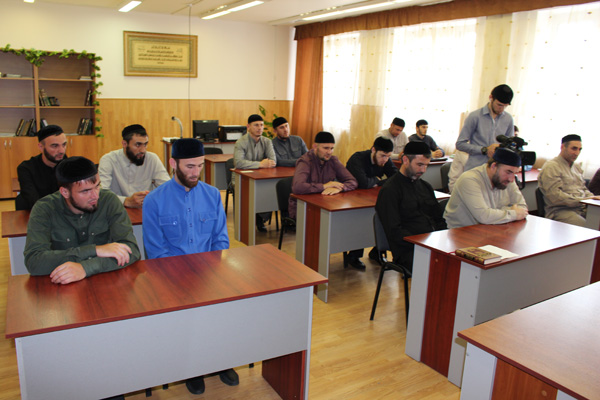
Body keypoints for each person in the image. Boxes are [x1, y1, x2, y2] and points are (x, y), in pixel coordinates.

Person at [142, 138, 235, 395]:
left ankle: (221, 360)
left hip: (209, 273)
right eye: (190, 167)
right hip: (173, 279)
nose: (196, 173)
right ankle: (192, 368)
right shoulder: (154, 201)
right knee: (189, 320)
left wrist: (212, 274)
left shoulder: (212, 194)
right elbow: (156, 251)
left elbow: (221, 239)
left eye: (200, 166)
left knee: (224, 311)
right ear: (173, 164)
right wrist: (185, 280)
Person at [23, 156, 140, 284]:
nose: (95, 196)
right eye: (85, 191)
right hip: (62, 287)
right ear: (65, 192)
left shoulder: (109, 201)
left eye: (97, 186)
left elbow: (132, 251)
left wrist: (85, 268)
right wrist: (96, 250)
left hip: (106, 282)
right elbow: (34, 262)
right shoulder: (44, 209)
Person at [375, 142, 447, 272]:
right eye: (419, 165)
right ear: (405, 160)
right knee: (441, 269)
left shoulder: (425, 186)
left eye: (426, 165)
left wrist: (444, 240)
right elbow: (394, 231)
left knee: (461, 263)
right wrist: (423, 244)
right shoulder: (390, 190)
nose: (423, 170)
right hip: (409, 250)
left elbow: (438, 219)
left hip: (432, 244)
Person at [289, 132, 358, 265]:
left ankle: (353, 255)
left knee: (352, 220)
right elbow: (297, 187)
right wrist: (324, 186)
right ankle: (312, 263)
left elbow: (352, 181)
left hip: (326, 206)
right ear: (315, 146)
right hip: (304, 209)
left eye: (332, 148)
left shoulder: (333, 160)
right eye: (325, 148)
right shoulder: (305, 161)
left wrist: (340, 188)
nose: (329, 152)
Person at [444, 148, 528, 228]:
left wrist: (497, 214)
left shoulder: (507, 180)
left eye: (514, 173)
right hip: (461, 231)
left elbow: (522, 207)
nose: (511, 179)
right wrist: (513, 213)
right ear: (493, 166)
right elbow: (483, 216)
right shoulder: (469, 179)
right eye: (508, 172)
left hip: (493, 228)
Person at [346, 137, 398, 265]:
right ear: (373, 150)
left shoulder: (385, 159)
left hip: (373, 197)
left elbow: (396, 178)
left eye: (388, 156)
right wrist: (378, 180)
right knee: (362, 221)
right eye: (382, 156)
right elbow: (362, 183)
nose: (385, 160)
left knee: (386, 215)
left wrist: (376, 182)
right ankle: (354, 255)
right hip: (353, 200)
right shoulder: (357, 159)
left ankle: (377, 251)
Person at [99, 124, 170, 209]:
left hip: (144, 210)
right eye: (138, 145)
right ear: (124, 144)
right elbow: (101, 193)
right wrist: (125, 201)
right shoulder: (108, 160)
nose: (143, 150)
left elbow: (167, 188)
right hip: (116, 209)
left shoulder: (152, 159)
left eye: (145, 144)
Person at [538, 134, 600, 226]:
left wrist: (593, 199)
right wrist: (585, 200)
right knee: (587, 227)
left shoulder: (576, 167)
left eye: (579, 149)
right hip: (560, 211)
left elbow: (583, 189)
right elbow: (555, 197)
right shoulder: (552, 167)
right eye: (574, 148)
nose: (577, 153)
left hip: (581, 208)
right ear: (563, 147)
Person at [455, 84, 515, 171]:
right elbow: (460, 144)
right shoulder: (474, 116)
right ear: (491, 98)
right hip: (475, 169)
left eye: (505, 106)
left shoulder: (508, 119)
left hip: (496, 171)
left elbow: (510, 145)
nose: (501, 109)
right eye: (499, 105)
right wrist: (484, 150)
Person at [233, 114, 277, 232]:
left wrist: (264, 164)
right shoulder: (241, 142)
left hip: (261, 177)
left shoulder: (267, 141)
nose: (259, 128)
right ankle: (248, 220)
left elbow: (273, 161)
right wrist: (260, 164)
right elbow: (238, 163)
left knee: (270, 188)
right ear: (248, 127)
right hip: (242, 178)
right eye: (256, 125)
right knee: (249, 192)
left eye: (261, 125)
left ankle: (261, 218)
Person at [15, 125, 67, 210]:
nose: (62, 150)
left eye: (64, 144)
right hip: (38, 213)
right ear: (41, 147)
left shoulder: (70, 166)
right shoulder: (26, 169)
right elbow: (33, 200)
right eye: (55, 146)